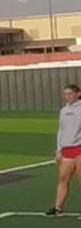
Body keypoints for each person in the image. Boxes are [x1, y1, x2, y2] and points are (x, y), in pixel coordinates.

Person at [47, 84, 81, 216]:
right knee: (63, 178)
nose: (67, 96)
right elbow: (61, 130)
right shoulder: (64, 111)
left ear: (78, 94)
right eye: (65, 94)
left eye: (70, 94)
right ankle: (58, 207)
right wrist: (59, 150)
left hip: (79, 147)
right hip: (67, 149)